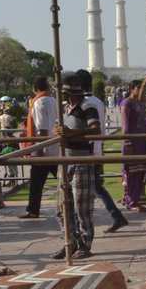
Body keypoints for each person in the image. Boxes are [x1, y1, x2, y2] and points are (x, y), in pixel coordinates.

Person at [52, 74, 99, 259]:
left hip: (81, 161)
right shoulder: (64, 108)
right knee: (62, 206)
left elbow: (96, 130)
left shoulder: (88, 107)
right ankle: (68, 241)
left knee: (82, 206)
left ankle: (85, 244)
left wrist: (73, 133)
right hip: (65, 162)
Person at [77, 69, 129, 233]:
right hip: (97, 148)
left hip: (87, 151)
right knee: (96, 187)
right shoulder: (98, 101)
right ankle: (115, 216)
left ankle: (112, 217)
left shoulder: (84, 103)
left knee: (88, 188)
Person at [18, 77, 58, 219]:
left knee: (36, 183)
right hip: (56, 148)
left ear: (35, 88)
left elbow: (42, 129)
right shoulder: (54, 100)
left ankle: (33, 210)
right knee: (63, 181)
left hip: (43, 149)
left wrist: (39, 152)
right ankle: (69, 206)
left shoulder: (39, 102)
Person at [120, 79, 146, 211]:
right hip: (131, 142)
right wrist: (127, 141)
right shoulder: (126, 103)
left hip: (141, 142)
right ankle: (131, 201)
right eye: (139, 88)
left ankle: (134, 199)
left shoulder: (138, 103)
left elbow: (141, 120)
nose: (140, 91)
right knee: (131, 172)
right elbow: (125, 124)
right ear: (132, 89)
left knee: (139, 172)